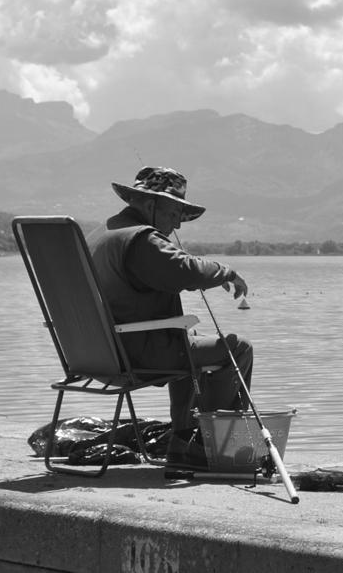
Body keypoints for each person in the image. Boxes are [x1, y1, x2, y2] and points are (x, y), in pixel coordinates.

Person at [87, 165, 252, 469]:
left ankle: (182, 442)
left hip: (95, 352)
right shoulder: (141, 239)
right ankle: (207, 445)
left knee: (186, 342)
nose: (178, 223)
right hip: (136, 353)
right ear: (150, 204)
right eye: (174, 212)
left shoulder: (103, 233)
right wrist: (225, 272)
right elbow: (184, 272)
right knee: (238, 347)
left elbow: (171, 270)